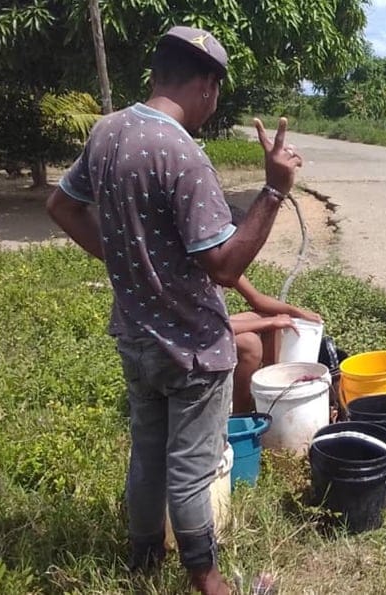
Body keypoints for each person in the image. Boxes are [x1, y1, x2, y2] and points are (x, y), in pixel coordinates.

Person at [46, 26, 302, 594]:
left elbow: (61, 205)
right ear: (208, 86)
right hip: (191, 346)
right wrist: (274, 191)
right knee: (190, 467)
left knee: (147, 454)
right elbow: (224, 266)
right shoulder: (183, 155)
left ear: (157, 73)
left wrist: (122, 258)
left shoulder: (108, 131)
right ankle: (207, 580)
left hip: (135, 336)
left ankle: (142, 558)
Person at [227, 205, 322, 414]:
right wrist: (270, 322)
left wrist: (295, 312)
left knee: (274, 317)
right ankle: (241, 414)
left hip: (214, 325)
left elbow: (257, 299)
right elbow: (212, 325)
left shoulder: (225, 267)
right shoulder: (201, 267)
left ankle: (270, 387)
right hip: (189, 336)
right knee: (250, 343)